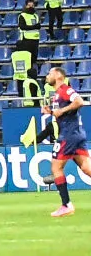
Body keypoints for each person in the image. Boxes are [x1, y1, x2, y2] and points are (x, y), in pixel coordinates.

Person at [40, 65, 89, 218]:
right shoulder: (56, 95)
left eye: (49, 73)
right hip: (75, 134)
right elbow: (63, 112)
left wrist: (61, 111)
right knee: (87, 168)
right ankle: (66, 205)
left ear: (58, 75)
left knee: (56, 167)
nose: (47, 76)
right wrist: (52, 112)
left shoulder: (64, 90)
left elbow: (79, 101)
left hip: (68, 135)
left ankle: (66, 205)